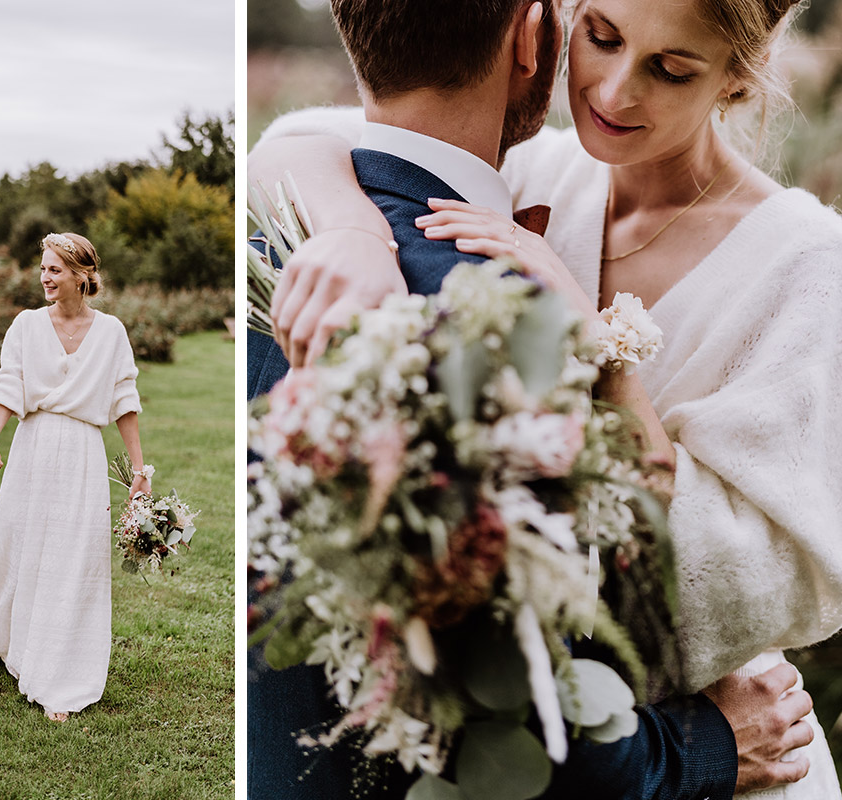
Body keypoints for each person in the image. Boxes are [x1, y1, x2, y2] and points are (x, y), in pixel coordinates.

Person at [247, 0, 840, 797]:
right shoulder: (535, 169)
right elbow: (299, 145)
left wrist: (597, 346)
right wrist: (352, 231)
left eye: (670, 69)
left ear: (739, 75)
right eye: (602, 38)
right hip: (536, 737)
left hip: (721, 733)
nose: (615, 92)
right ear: (554, 23)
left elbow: (761, 572)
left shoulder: (809, 266)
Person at [0, 232, 148, 723]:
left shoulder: (112, 333)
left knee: (73, 556)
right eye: (42, 269)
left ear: (82, 277)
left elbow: (125, 400)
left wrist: (139, 471)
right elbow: (8, 386)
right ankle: (9, 640)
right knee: (25, 546)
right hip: (33, 448)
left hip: (82, 453)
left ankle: (60, 674)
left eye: (54, 270)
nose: (44, 277)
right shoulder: (25, 325)